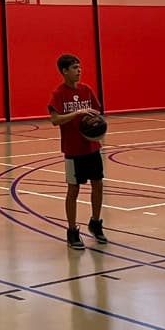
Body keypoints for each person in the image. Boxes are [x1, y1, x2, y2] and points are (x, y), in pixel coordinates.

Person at [47, 53, 106, 249]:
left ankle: (95, 223)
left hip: (92, 147)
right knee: (74, 189)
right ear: (64, 71)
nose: (79, 71)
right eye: (74, 68)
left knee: (98, 184)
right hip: (73, 150)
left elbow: (98, 112)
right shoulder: (58, 93)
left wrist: (97, 126)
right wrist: (76, 113)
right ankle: (72, 231)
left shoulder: (86, 90)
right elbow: (55, 120)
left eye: (80, 67)